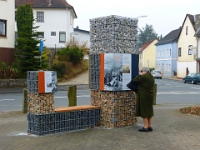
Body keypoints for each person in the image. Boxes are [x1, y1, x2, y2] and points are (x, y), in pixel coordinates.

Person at [133, 67, 155, 132]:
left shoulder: (144, 77)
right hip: (150, 95)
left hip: (144, 95)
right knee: (149, 111)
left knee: (144, 110)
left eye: (142, 71)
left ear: (145, 71)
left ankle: (145, 127)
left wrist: (140, 75)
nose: (141, 72)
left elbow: (135, 80)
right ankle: (149, 126)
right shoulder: (151, 77)